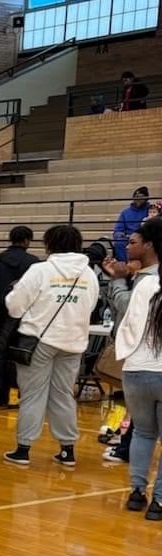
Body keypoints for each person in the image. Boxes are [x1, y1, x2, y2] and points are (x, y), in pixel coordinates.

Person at [2, 223, 100, 469]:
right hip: (74, 342)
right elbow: (91, 306)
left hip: (40, 341)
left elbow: (15, 307)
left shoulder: (40, 270)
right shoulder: (88, 273)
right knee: (63, 395)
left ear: (49, 244)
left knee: (33, 394)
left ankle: (23, 449)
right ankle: (67, 450)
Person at [114, 216, 162, 515]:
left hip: (136, 369)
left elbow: (128, 322)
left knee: (144, 433)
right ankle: (158, 502)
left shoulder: (145, 284)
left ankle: (135, 493)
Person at [0, 226, 37, 406]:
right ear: (27, 241)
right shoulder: (34, 263)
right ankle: (14, 395)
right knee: (17, 356)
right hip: (23, 316)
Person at [113, 187, 155, 262]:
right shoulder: (125, 212)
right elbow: (118, 229)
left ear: (146, 198)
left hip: (144, 236)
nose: (138, 199)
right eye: (136, 197)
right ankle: (126, 266)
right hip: (128, 238)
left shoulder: (151, 210)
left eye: (141, 197)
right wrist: (120, 235)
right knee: (119, 243)